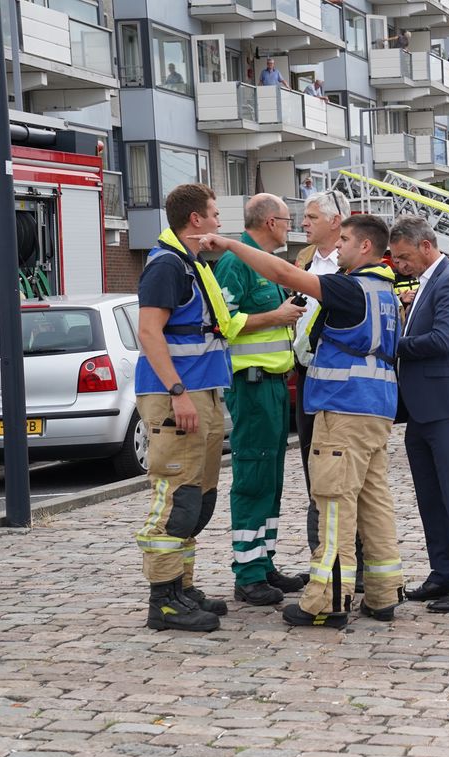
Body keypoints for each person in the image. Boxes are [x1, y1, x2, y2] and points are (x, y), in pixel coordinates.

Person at [195, 214, 405, 628]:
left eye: (344, 240)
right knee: (374, 502)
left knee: (334, 504)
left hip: (342, 409)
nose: (338, 246)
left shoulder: (350, 288)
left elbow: (284, 272)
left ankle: (326, 600)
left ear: (365, 247)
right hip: (377, 408)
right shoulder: (386, 291)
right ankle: (382, 594)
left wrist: (233, 246)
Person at [134, 183, 246, 632]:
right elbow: (149, 332)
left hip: (205, 391)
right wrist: (177, 392)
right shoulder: (167, 266)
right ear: (195, 220)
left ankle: (181, 586)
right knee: (176, 497)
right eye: (215, 213)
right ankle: (162, 601)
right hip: (177, 395)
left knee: (199, 497)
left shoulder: (190, 263)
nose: (219, 220)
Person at [388, 216, 449, 614]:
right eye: (396, 258)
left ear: (426, 247)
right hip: (423, 410)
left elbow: (444, 340)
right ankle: (443, 573)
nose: (399, 264)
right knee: (431, 499)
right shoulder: (429, 282)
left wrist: (393, 345)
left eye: (404, 257)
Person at [214, 194, 307, 607]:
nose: (291, 226)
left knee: (270, 482)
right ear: (270, 222)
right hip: (250, 387)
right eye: (288, 219)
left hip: (269, 384)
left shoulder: (261, 264)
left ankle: (264, 562)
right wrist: (276, 317)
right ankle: (247, 573)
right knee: (253, 478)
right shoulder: (239, 261)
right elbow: (221, 323)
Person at [293, 189, 370, 597]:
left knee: (343, 477)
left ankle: (349, 566)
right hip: (308, 375)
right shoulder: (305, 260)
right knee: (315, 474)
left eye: (310, 217)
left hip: (345, 383)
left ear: (336, 220)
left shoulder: (354, 265)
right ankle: (321, 560)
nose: (304, 223)